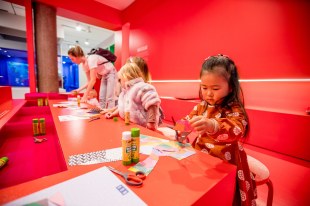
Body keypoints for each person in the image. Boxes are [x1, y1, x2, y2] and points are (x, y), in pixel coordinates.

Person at [183, 54, 257, 206]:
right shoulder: (201, 106)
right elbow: (187, 121)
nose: (209, 93)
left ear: (230, 87)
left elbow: (236, 129)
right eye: (204, 87)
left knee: (224, 197)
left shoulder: (235, 109)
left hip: (226, 160)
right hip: (202, 157)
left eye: (215, 88)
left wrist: (213, 125)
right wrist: (179, 131)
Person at [105, 62, 161, 131]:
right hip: (130, 126)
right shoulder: (125, 92)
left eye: (120, 80)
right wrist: (113, 114)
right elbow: (122, 107)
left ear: (126, 76)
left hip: (143, 127)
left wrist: (151, 123)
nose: (120, 83)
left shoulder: (142, 87)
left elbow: (152, 103)